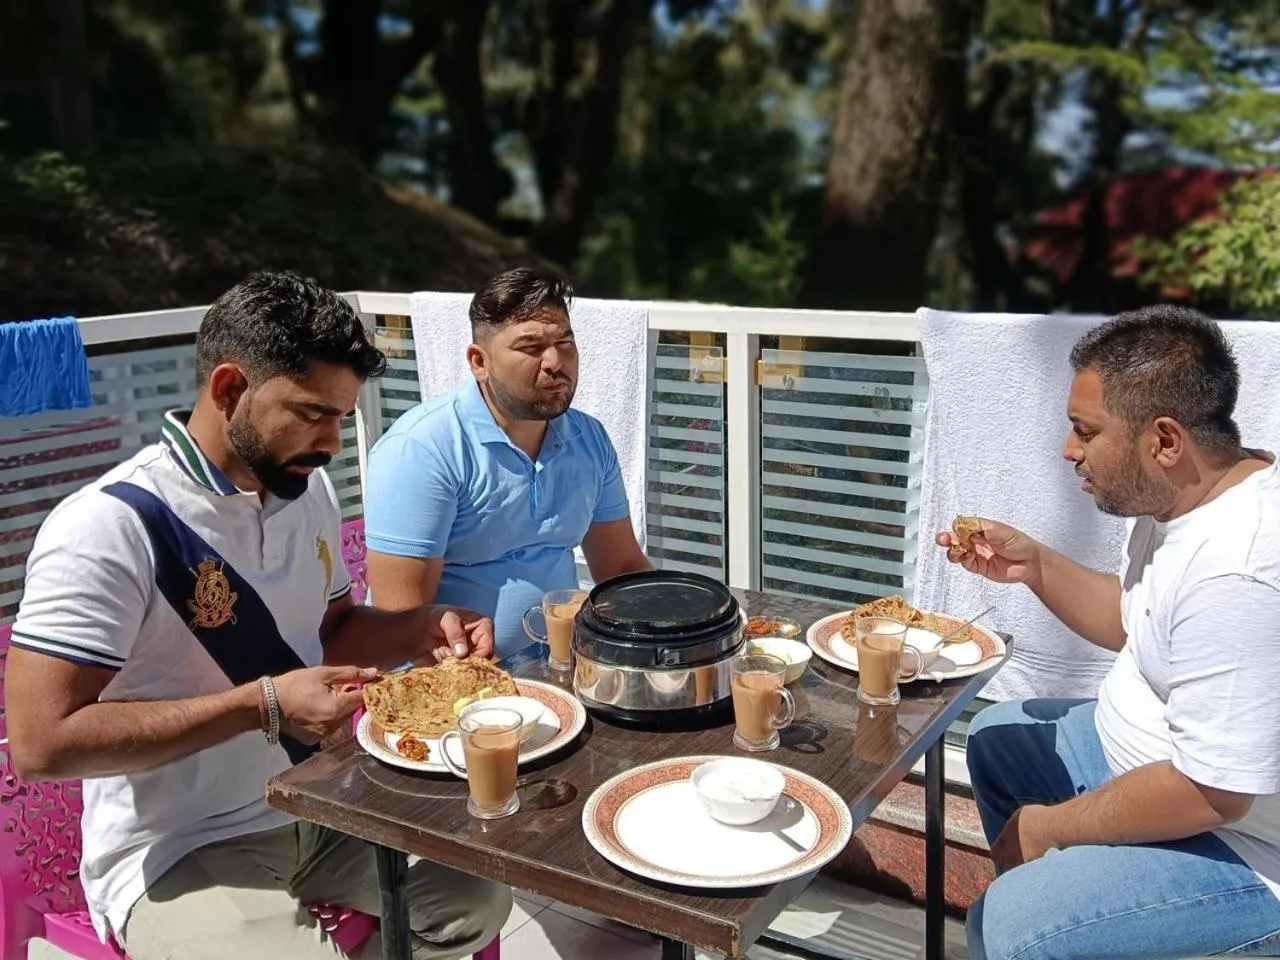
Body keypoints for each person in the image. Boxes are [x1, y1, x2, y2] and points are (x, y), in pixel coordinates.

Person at [5, 272, 511, 960]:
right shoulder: (106, 527)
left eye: (340, 415)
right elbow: (40, 745)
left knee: (477, 897)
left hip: (314, 801)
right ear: (228, 390)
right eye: (311, 413)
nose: (333, 441)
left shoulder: (304, 488)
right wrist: (263, 706)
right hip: (177, 845)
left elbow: (331, 633)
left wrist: (420, 627)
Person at [937, 305, 1280, 959]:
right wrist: (1034, 566)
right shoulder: (1180, 496)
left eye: (1085, 432)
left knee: (1010, 924)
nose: (1069, 450)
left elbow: (1213, 792)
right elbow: (1135, 621)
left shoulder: (1242, 572)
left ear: (1165, 441)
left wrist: (1049, 828)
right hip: (1151, 761)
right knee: (997, 737)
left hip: (1246, 847)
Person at [364, 267, 651, 657]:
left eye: (565, 341)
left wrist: (684, 623)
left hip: (564, 665)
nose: (554, 361)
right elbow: (399, 624)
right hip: (452, 685)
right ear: (479, 362)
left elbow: (620, 567)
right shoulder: (423, 449)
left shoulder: (589, 440)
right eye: (530, 347)